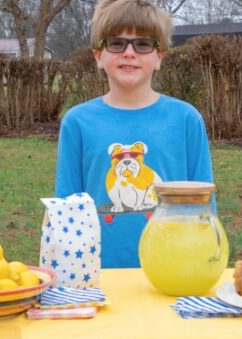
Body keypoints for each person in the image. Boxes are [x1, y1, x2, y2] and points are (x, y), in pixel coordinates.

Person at [54, 0, 213, 269]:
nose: (129, 53)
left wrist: (205, 259)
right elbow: (66, 208)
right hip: (97, 274)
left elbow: (204, 205)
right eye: (117, 43)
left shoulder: (186, 119)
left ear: (159, 57)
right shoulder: (77, 122)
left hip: (173, 269)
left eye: (143, 44)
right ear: (98, 56)